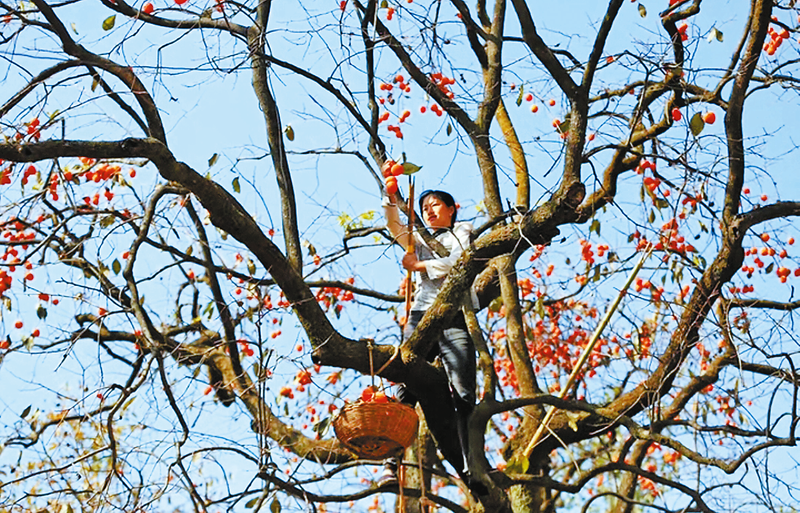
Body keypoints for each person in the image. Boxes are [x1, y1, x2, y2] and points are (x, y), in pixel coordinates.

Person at [379, 170, 479, 490]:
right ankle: (390, 462)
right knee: (405, 385)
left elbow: (460, 261)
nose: (430, 210)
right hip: (422, 312)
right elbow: (395, 229)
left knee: (463, 390)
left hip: (454, 318)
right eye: (425, 208)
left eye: (437, 205)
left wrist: (419, 266)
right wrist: (391, 199)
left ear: (451, 209)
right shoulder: (419, 237)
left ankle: (468, 463)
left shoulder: (463, 230)